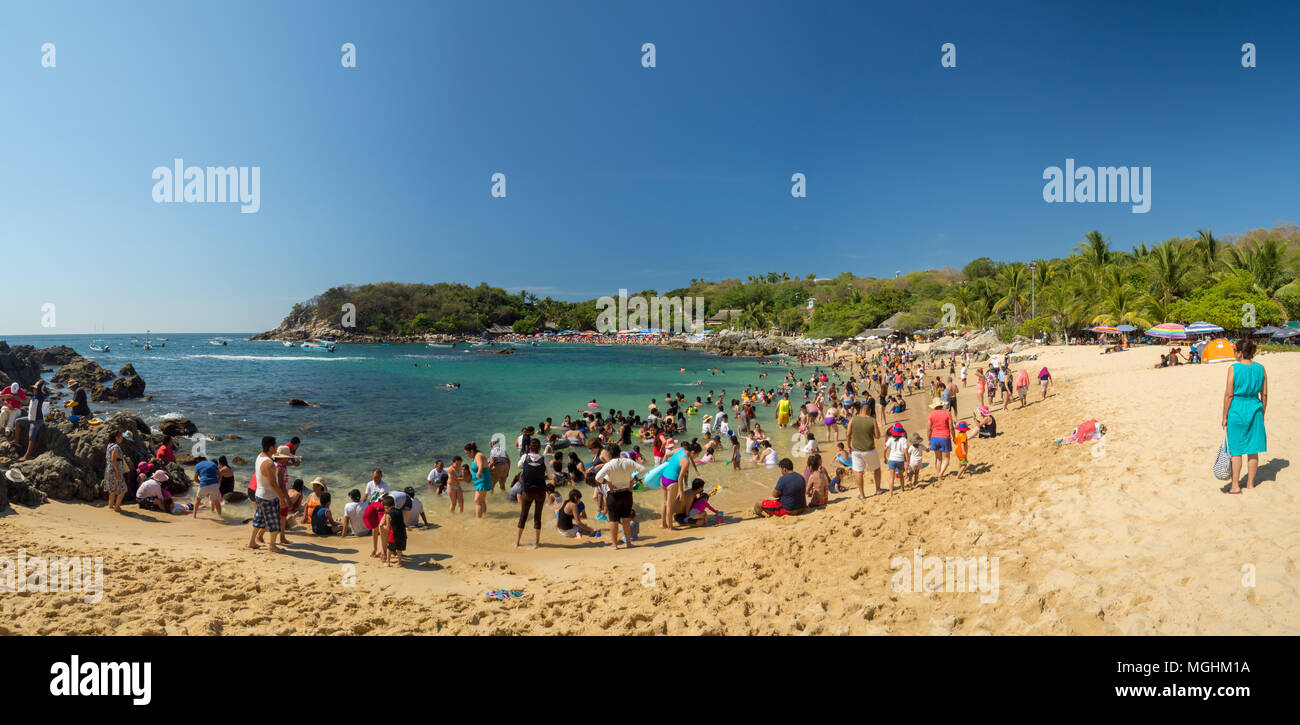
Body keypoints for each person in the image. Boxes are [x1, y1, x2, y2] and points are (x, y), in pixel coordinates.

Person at [1223, 338, 1267, 494]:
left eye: (1235, 351)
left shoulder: (1233, 368)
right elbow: (1264, 394)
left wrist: (1224, 416)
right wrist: (1262, 411)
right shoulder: (1261, 368)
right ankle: (1250, 484)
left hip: (1237, 410)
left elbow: (1229, 395)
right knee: (1253, 449)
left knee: (1236, 450)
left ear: (1240, 352)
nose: (1234, 353)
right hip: (1255, 408)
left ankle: (1235, 486)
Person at [594, 443, 644, 550]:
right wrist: (633, 480)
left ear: (609, 453)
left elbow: (597, 477)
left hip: (613, 494)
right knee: (626, 520)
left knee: (613, 520)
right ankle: (629, 543)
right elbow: (644, 470)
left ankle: (614, 545)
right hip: (627, 493)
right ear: (619, 452)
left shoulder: (609, 464)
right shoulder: (628, 461)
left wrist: (608, 483)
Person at [248, 436, 288, 554]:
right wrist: (282, 499)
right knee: (275, 522)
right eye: (275, 446)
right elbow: (273, 484)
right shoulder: (269, 464)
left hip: (259, 494)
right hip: (268, 496)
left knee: (258, 520)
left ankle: (252, 542)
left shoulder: (260, 456)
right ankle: (272, 546)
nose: (276, 447)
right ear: (271, 447)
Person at [514, 438, 551, 549]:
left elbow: (519, 466)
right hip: (540, 491)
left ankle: (517, 543)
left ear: (529, 447)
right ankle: (537, 543)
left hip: (528, 491)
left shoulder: (525, 457)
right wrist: (542, 477)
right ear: (540, 448)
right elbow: (550, 476)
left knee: (523, 516)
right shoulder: (544, 459)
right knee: (537, 517)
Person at [846, 401, 883, 499]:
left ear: (861, 410)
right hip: (869, 450)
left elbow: (848, 434)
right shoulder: (872, 420)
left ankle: (862, 495)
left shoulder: (853, 419)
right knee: (877, 469)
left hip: (856, 451)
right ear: (869, 411)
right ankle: (878, 490)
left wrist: (848, 447)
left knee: (859, 472)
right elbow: (878, 436)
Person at [15, 379, 48, 461]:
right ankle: (16, 440)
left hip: (37, 420)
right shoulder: (34, 396)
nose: (34, 390)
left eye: (35, 389)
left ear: (39, 390)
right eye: (33, 388)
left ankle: (26, 456)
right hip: (30, 418)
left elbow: (43, 391)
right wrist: (19, 399)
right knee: (17, 421)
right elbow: (27, 403)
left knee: (31, 438)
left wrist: (41, 384)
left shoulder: (41, 397)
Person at [926, 397, 955, 483]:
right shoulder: (947, 413)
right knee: (946, 459)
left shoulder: (931, 415)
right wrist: (954, 437)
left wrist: (928, 439)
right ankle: (940, 474)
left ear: (934, 406)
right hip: (945, 437)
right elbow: (951, 428)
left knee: (938, 458)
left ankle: (938, 474)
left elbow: (928, 429)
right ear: (941, 405)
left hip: (934, 437)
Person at [103, 429, 129, 513]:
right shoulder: (116, 447)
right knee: (123, 489)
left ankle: (110, 505)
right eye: (121, 437)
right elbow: (113, 460)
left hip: (108, 469)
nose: (122, 438)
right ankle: (117, 506)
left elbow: (107, 458)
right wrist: (118, 472)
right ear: (116, 437)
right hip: (115, 470)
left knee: (112, 489)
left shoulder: (109, 445)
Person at [378, 494, 406, 566]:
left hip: (393, 534)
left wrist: (382, 527)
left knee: (389, 548)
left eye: (385, 508)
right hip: (403, 533)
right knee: (399, 548)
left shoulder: (388, 514)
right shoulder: (400, 511)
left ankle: (388, 562)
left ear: (386, 507)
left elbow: (387, 527)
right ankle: (399, 562)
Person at [466, 442, 491, 518]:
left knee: (477, 501)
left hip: (482, 480)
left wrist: (479, 472)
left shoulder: (478, 456)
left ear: (472, 451)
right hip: (481, 480)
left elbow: (480, 465)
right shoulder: (477, 454)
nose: (467, 455)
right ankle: (484, 516)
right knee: (482, 500)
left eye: (467, 453)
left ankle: (479, 520)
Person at [883, 423, 908, 495]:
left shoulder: (890, 439)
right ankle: (902, 489)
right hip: (900, 460)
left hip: (892, 460)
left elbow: (885, 449)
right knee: (901, 476)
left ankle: (891, 493)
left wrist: (885, 457)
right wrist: (907, 461)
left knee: (891, 477)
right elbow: (906, 452)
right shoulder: (904, 440)